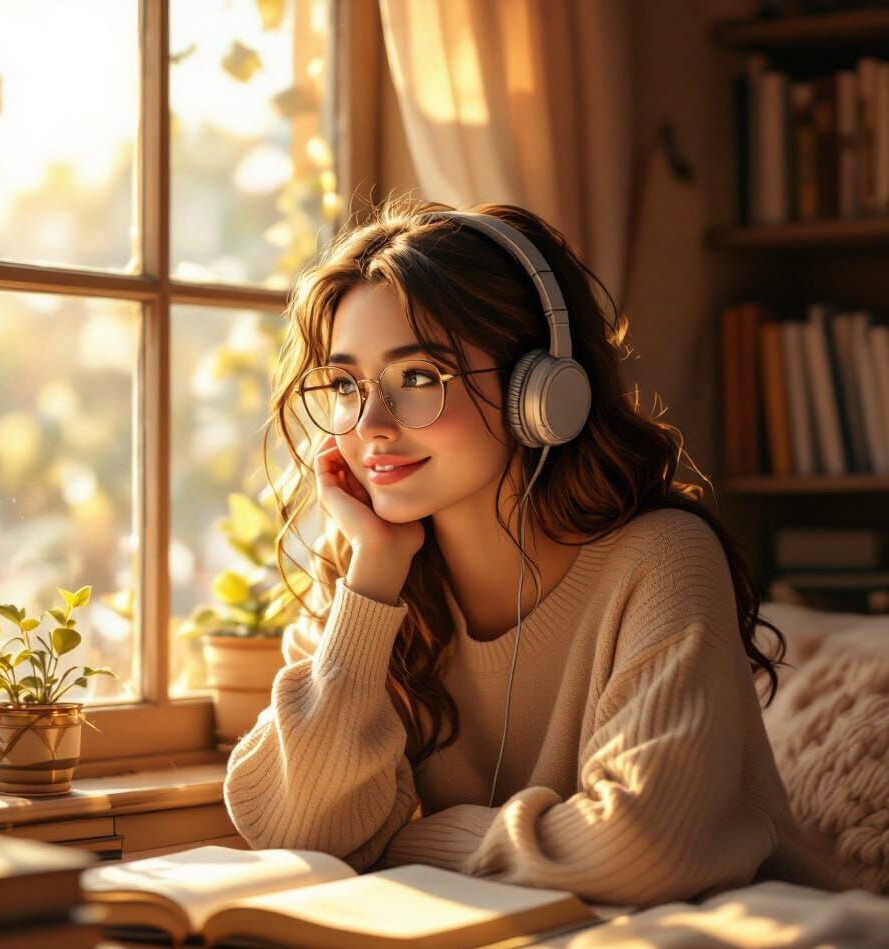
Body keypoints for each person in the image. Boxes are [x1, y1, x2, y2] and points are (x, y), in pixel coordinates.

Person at [221, 198, 842, 906]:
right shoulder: (362, 566)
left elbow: (645, 849)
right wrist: (375, 578)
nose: (370, 426)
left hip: (732, 947)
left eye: (417, 377)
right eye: (344, 385)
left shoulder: (663, 558)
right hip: (513, 947)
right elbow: (297, 831)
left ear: (541, 391)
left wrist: (405, 848)